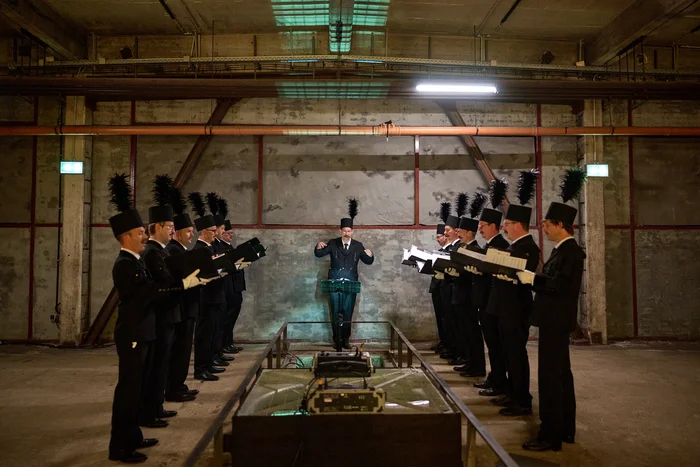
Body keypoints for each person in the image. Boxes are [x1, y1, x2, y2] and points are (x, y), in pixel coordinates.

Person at [107, 174, 208, 464]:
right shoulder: (126, 264)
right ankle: (120, 446)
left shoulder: (136, 261)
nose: (144, 236)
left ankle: (133, 436)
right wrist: (181, 285)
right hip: (134, 332)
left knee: (138, 386)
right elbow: (148, 293)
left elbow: (154, 288)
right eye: (140, 232)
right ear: (126, 236)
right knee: (128, 390)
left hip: (145, 329)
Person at [518, 168, 586, 452]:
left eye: (547, 223)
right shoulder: (562, 250)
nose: (543, 228)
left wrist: (531, 279)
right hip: (554, 320)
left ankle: (550, 435)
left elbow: (559, 286)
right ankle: (565, 429)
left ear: (560, 224)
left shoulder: (570, 253)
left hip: (556, 321)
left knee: (551, 378)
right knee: (560, 375)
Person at [489, 171, 540, 417]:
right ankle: (512, 393)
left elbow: (524, 277)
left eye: (507, 225)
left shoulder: (528, 247)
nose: (504, 228)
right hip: (505, 307)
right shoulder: (514, 246)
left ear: (518, 225)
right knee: (509, 354)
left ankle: (522, 399)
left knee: (516, 355)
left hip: (516, 309)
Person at [140, 175, 182, 428]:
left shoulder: (163, 251)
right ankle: (150, 409)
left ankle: (156, 406)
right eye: (168, 227)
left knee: (161, 365)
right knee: (154, 367)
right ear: (155, 227)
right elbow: (159, 285)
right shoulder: (152, 253)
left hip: (167, 315)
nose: (172, 231)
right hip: (158, 317)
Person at [314, 198, 374, 349]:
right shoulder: (333, 243)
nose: (347, 233)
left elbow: (367, 261)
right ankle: (337, 340)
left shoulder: (358, 245)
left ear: (352, 231)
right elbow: (319, 254)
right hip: (334, 283)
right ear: (340, 231)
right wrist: (318, 246)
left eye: (349, 231)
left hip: (351, 283)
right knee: (335, 311)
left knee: (347, 312)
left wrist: (371, 254)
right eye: (344, 231)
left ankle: (345, 339)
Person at [470, 182, 509, 395]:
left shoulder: (500, 246)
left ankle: (498, 380)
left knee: (496, 346)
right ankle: (494, 378)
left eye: (483, 225)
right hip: (486, 301)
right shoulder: (489, 245)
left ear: (494, 226)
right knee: (492, 345)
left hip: (492, 302)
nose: (480, 229)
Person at [165, 186, 200, 402]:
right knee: (178, 351)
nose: (191, 235)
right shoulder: (173, 251)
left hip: (188, 307)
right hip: (181, 308)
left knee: (184, 350)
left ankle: (179, 384)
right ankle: (174, 388)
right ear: (177, 233)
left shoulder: (181, 251)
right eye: (188, 231)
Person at [189, 192, 226, 382]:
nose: (215, 233)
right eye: (212, 231)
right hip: (206, 297)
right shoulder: (199, 249)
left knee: (212, 331)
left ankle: (209, 362)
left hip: (215, 295)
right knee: (204, 334)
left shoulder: (210, 248)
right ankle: (201, 367)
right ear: (203, 232)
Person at [429, 220, 449, 353]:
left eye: (439, 237)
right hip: (437, 287)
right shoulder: (440, 251)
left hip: (446, 288)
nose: (437, 240)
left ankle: (448, 344)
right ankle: (443, 341)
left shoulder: (450, 251)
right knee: (440, 317)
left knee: (446, 319)